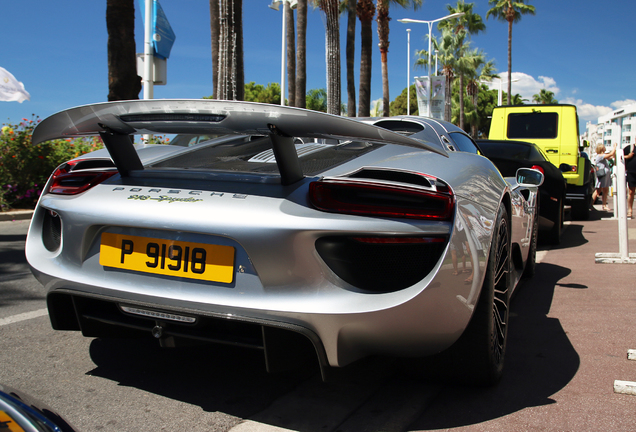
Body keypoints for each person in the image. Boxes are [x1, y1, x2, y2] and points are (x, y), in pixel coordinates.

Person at [592, 143, 617, 211]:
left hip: (605, 175)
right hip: (602, 175)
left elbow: (611, 156)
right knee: (598, 190)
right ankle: (590, 204)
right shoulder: (600, 156)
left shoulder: (603, 156)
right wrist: (614, 147)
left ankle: (604, 205)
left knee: (605, 190)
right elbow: (611, 154)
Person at [624, 142, 636, 218]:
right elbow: (619, 156)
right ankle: (630, 210)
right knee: (631, 192)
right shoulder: (630, 148)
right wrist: (628, 156)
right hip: (631, 173)